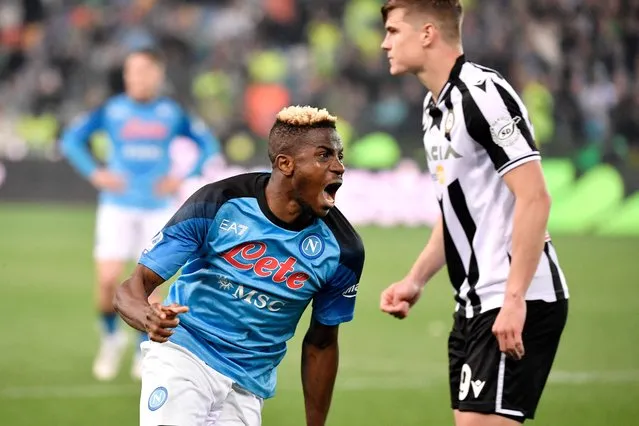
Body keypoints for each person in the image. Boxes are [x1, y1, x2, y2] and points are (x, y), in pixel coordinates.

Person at [378, 1, 570, 425]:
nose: (384, 43)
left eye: (393, 31)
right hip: (473, 303)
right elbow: (457, 211)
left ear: (427, 33)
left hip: (516, 296)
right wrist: (415, 279)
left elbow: (535, 197)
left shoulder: (483, 95)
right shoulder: (434, 114)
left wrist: (515, 300)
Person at [113, 105, 365, 426]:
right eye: (324, 156)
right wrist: (148, 317)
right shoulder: (218, 202)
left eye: (340, 156)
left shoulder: (343, 249)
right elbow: (133, 287)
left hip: (248, 386)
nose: (339, 167)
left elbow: (322, 342)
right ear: (285, 164)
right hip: (183, 356)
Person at [60, 47, 220, 381]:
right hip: (117, 205)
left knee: (149, 286)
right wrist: (95, 172)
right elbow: (71, 141)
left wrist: (181, 175)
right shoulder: (112, 110)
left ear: (157, 75)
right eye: (131, 71)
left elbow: (208, 146)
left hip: (157, 210)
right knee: (107, 281)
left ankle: (139, 350)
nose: (137, 77)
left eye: (144, 70)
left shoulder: (171, 113)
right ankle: (110, 339)